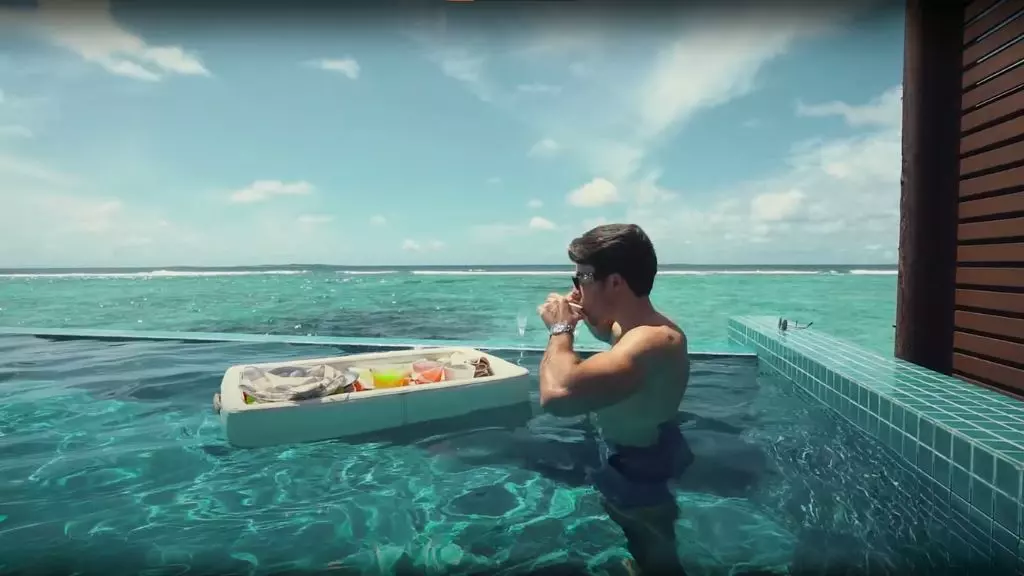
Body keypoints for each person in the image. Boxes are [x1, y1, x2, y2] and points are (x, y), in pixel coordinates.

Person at [536, 223, 691, 575]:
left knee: (655, 556)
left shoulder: (654, 341)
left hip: (640, 465)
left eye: (581, 278)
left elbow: (558, 396)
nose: (576, 287)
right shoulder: (631, 326)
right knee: (639, 543)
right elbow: (606, 328)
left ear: (616, 282)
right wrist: (582, 304)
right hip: (636, 449)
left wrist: (560, 330)